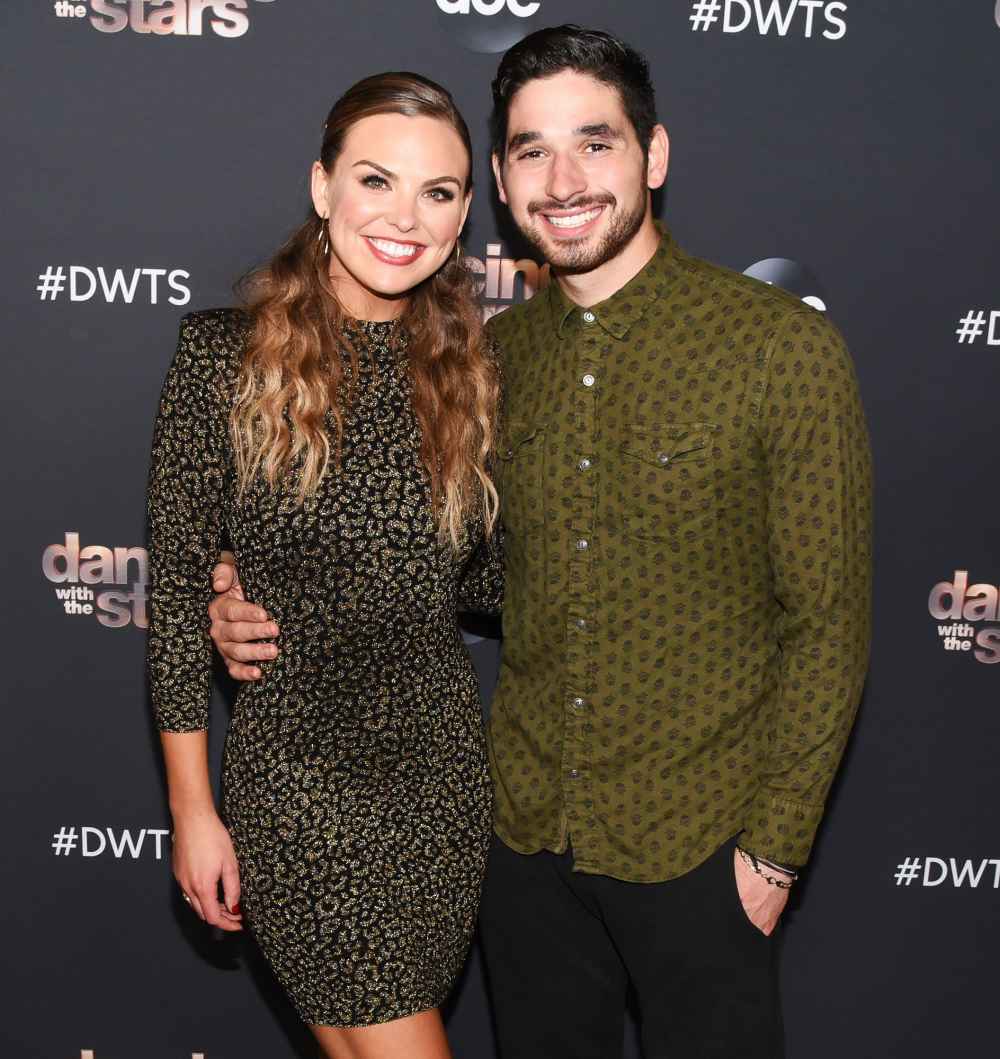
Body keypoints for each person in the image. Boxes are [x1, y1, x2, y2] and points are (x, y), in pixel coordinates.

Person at [208, 25, 873, 1059]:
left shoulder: (778, 347)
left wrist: (776, 850)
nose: (564, 180)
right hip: (518, 841)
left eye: (594, 144)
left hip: (699, 839)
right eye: (530, 151)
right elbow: (441, 567)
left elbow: (826, 621)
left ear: (652, 156)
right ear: (505, 188)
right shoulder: (484, 362)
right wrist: (252, 589)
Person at [146, 71, 503, 1059]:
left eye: (437, 192)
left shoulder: (475, 378)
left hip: (436, 784)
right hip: (298, 781)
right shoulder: (225, 358)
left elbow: (481, 582)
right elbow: (177, 598)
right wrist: (193, 814)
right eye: (375, 181)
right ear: (322, 186)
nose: (404, 216)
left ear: (465, 212)